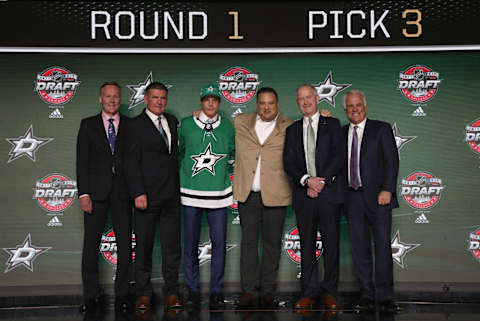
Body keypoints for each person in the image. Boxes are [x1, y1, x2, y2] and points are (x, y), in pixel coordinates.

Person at [283, 84, 346, 310]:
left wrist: (320, 181)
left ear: (317, 98)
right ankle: (308, 292)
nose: (306, 102)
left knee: (331, 244)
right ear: (297, 102)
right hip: (303, 194)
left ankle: (330, 292)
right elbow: (288, 162)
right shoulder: (292, 130)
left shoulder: (333, 124)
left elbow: (339, 157)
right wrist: (306, 181)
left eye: (309, 97)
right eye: (301, 98)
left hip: (328, 194)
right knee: (306, 244)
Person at [233, 87, 294, 308]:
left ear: (277, 105)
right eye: (262, 103)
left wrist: (325, 118)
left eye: (270, 103)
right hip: (247, 195)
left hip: (276, 195)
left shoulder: (289, 126)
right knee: (248, 244)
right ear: (257, 104)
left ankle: (268, 291)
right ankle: (248, 291)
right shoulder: (240, 122)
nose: (266, 107)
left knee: (271, 245)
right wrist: (197, 115)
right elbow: (213, 125)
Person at [124, 82, 182, 311]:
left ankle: (172, 292)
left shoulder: (173, 121)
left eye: (163, 98)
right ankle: (143, 294)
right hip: (146, 197)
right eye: (155, 97)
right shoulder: (134, 125)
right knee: (144, 247)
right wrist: (138, 192)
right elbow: (130, 163)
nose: (159, 101)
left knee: (171, 248)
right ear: (146, 99)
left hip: (171, 196)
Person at [76, 82, 132, 313]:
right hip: (95, 195)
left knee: (125, 246)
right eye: (108, 96)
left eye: (116, 96)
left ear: (120, 100)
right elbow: (82, 162)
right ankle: (90, 297)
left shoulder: (131, 125)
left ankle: (122, 296)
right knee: (90, 247)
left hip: (123, 194)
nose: (112, 100)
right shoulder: (88, 125)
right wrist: (84, 193)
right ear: (100, 99)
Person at [342, 90, 399, 312]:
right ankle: (366, 295)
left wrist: (387, 189)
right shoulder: (340, 132)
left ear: (365, 107)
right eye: (350, 106)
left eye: (358, 105)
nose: (354, 109)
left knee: (383, 248)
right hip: (352, 197)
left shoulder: (381, 129)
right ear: (345, 110)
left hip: (379, 198)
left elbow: (392, 161)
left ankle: (385, 297)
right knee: (359, 249)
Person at [178, 84, 235, 309]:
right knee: (190, 243)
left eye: (214, 99)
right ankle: (192, 290)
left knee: (219, 245)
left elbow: (233, 156)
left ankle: (216, 292)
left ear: (219, 102)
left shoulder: (228, 127)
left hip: (219, 194)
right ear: (201, 102)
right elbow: (180, 153)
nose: (210, 103)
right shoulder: (186, 124)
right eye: (206, 99)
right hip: (191, 193)